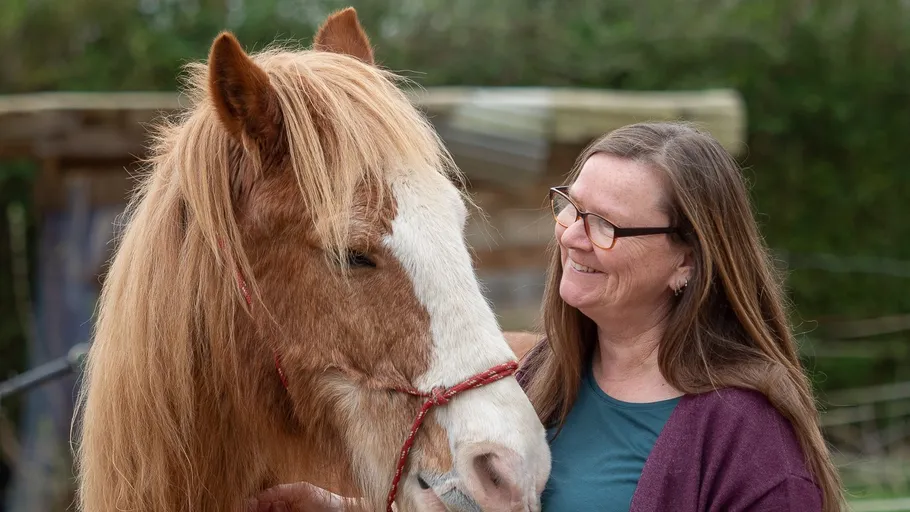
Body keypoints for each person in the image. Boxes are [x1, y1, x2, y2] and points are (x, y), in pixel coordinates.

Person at [246, 121, 845, 511]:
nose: (573, 238)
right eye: (571, 208)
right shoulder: (534, 380)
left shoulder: (751, 442)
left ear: (686, 261)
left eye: (606, 224)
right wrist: (330, 506)